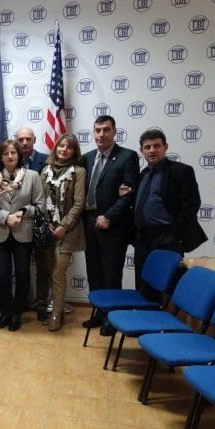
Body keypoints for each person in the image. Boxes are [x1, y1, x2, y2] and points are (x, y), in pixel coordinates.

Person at [82, 115, 139, 335]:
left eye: (106, 130)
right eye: (97, 130)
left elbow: (129, 193)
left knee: (111, 274)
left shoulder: (127, 157)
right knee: (94, 272)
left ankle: (112, 319)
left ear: (114, 132)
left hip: (113, 228)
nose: (101, 134)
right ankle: (99, 313)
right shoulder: (87, 158)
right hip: (89, 224)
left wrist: (109, 217)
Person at [133, 128, 207, 289]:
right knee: (142, 283)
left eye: (156, 146)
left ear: (165, 147)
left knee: (168, 285)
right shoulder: (143, 174)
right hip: (143, 237)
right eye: (147, 147)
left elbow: (192, 203)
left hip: (168, 236)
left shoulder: (181, 171)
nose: (152, 150)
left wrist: (175, 233)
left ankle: (165, 307)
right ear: (141, 151)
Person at [0, 139, 44, 331]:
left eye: (13, 153)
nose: (10, 156)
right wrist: (6, 217)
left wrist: (23, 211)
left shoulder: (32, 176)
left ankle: (17, 312)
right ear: (1, 157)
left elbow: (40, 206)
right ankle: (6, 312)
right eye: (5, 153)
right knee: (1, 274)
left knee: (22, 274)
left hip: (22, 232)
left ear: (19, 155)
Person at [40, 133, 86, 331]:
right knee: (50, 272)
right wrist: (47, 223)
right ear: (55, 148)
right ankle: (52, 306)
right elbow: (40, 200)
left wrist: (64, 226)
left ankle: (56, 314)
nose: (64, 150)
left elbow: (79, 203)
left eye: (69, 147)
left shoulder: (79, 172)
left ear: (74, 151)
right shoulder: (45, 170)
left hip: (68, 231)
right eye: (61, 146)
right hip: (48, 230)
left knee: (58, 272)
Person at [16, 126, 51, 320]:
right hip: (18, 223)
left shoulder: (46, 160)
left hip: (39, 223)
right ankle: (23, 302)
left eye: (28, 139)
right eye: (20, 139)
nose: (24, 143)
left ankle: (41, 305)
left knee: (42, 268)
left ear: (34, 140)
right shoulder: (11, 161)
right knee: (21, 268)